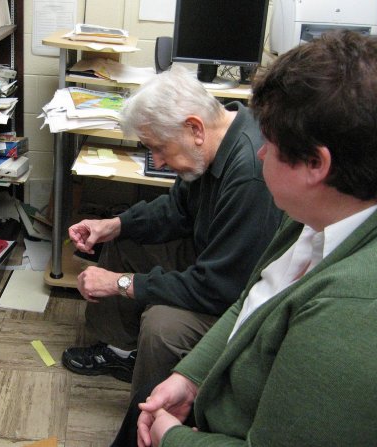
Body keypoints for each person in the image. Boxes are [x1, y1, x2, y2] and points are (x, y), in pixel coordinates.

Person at [112, 30, 377, 447]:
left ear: (315, 164)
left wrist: (174, 438)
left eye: (270, 143)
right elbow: (250, 302)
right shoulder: (314, 216)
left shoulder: (357, 311)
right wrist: (191, 376)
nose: (260, 153)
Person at [62, 65, 282, 397]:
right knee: (126, 238)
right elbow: (177, 209)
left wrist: (120, 283)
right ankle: (120, 353)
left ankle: (148, 421)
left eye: (159, 148)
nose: (159, 162)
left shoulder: (250, 172)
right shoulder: (211, 142)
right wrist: (114, 225)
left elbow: (219, 288)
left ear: (194, 128)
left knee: (162, 326)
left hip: (236, 297)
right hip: (211, 260)